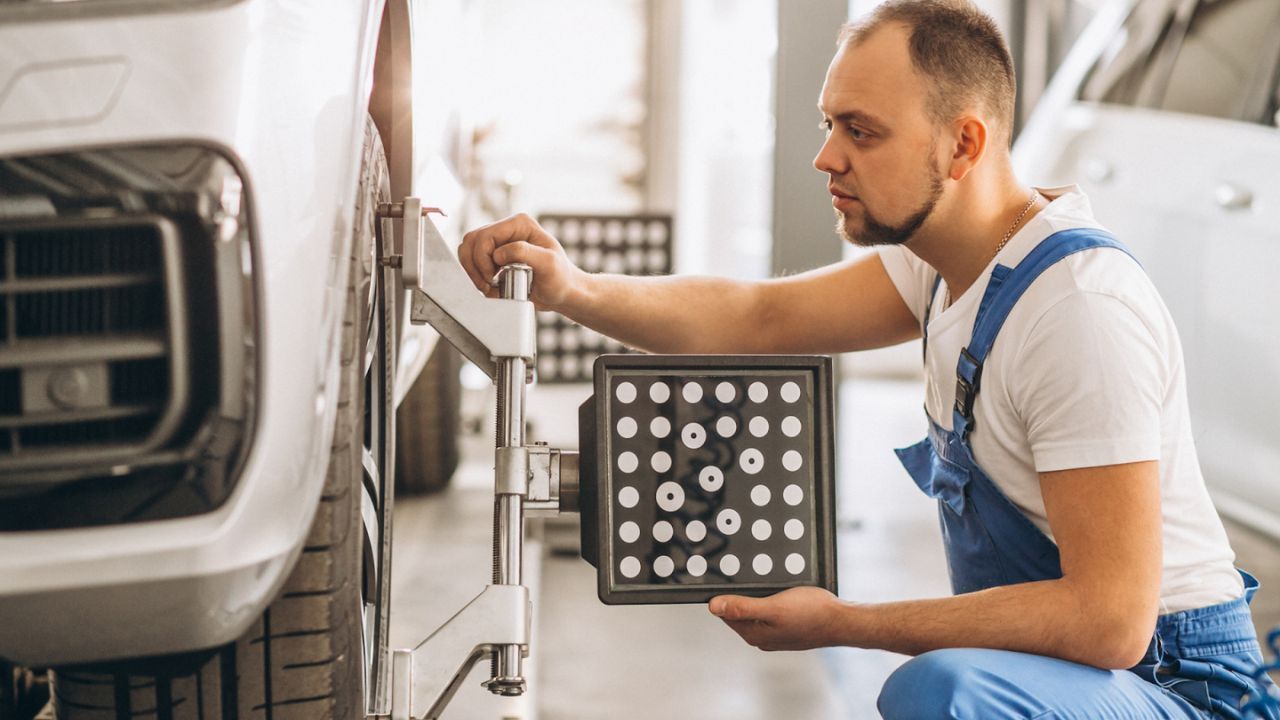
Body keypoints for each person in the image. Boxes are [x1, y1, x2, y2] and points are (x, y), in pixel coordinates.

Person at [458, 1, 1278, 716]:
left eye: (863, 132)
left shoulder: (1076, 311)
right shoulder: (945, 262)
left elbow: (1109, 620)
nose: (827, 158)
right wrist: (572, 288)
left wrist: (846, 623)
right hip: (1092, 674)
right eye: (829, 123)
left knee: (942, 692)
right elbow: (761, 315)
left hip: (1177, 687)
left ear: (962, 145)